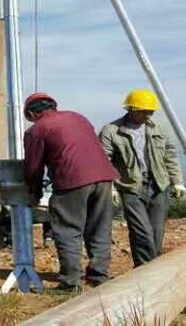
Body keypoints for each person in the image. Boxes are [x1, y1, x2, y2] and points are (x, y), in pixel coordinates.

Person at [23, 93, 118, 293]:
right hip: (103, 177)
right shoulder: (78, 117)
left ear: (31, 113)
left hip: (72, 181)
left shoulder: (37, 129)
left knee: (68, 230)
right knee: (99, 228)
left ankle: (70, 283)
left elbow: (33, 167)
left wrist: (34, 192)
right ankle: (99, 276)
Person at [99, 89, 186, 267]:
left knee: (156, 232)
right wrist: (111, 188)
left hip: (158, 185)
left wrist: (177, 182)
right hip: (129, 186)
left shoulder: (159, 129)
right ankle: (144, 268)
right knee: (141, 231)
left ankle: (151, 268)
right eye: (144, 111)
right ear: (131, 109)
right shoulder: (111, 131)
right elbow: (103, 161)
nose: (148, 115)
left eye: (151, 111)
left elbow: (170, 156)